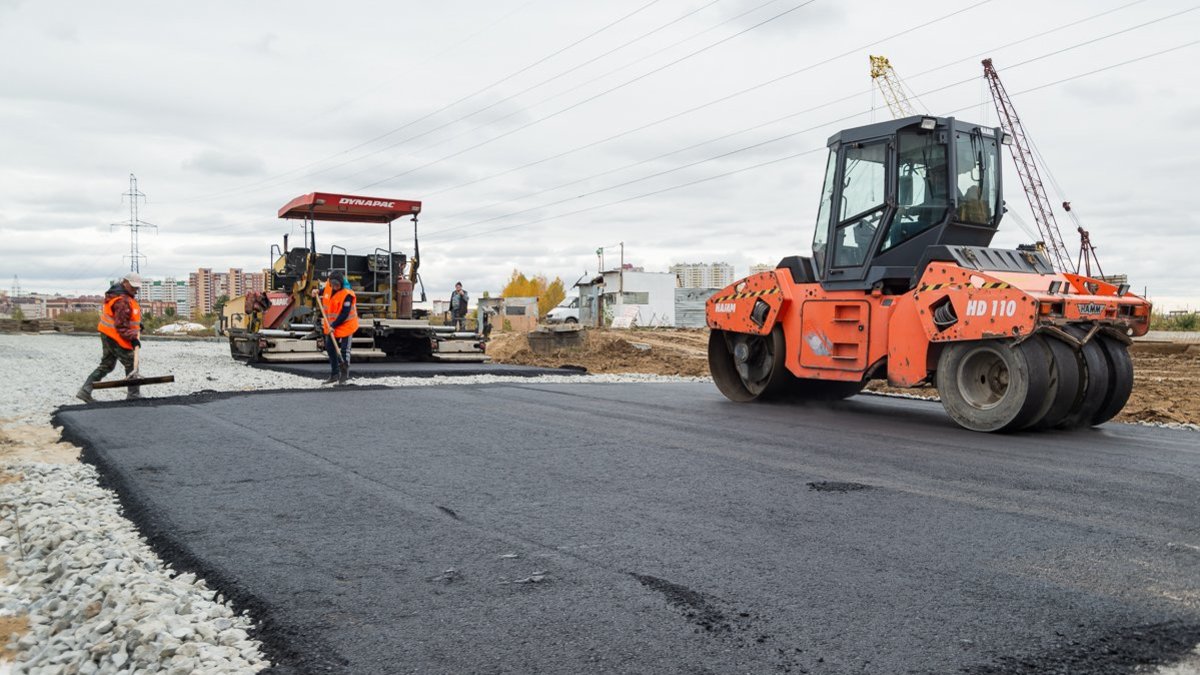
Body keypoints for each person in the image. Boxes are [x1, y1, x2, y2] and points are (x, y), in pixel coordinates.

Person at [77, 272, 143, 403]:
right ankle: (134, 396)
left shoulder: (120, 296)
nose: (135, 290)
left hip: (108, 334)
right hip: (115, 336)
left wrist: (138, 324)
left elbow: (124, 318)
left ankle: (85, 391)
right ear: (125, 283)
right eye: (132, 287)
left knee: (107, 364)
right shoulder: (122, 301)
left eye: (137, 287)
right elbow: (121, 326)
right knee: (130, 361)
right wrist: (133, 338)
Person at [312, 272, 358, 385]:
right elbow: (324, 292)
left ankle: (344, 376)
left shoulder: (347, 294)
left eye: (337, 285)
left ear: (341, 283)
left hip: (346, 324)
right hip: (332, 325)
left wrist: (334, 325)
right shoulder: (329, 286)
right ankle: (334, 374)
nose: (335, 287)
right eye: (333, 285)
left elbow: (345, 313)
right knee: (330, 348)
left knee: (344, 350)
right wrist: (317, 291)